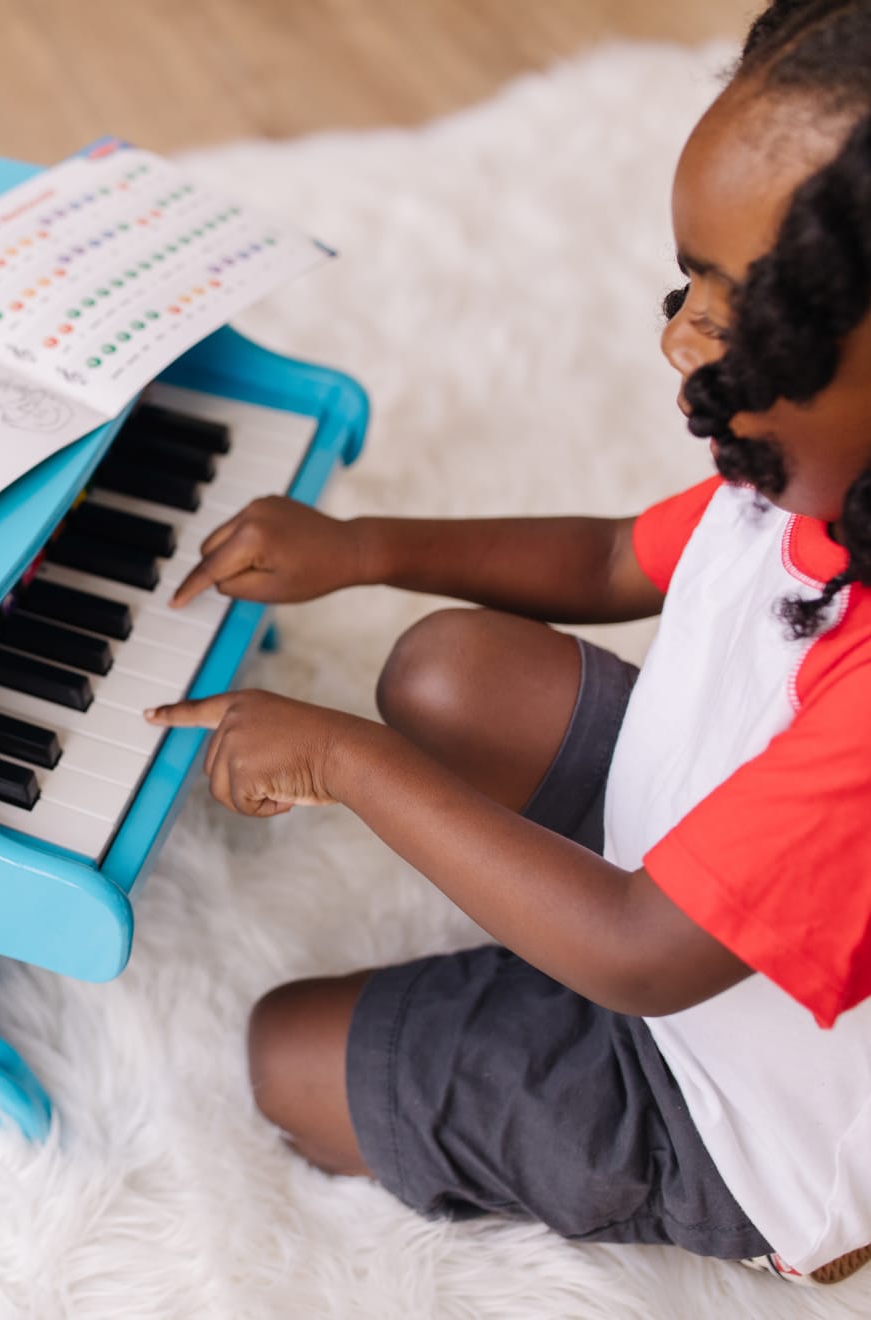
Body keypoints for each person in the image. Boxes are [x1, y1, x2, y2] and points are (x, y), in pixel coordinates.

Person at [143, 0, 871, 1287]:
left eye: (744, 312)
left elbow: (642, 955)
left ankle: (797, 1237)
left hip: (727, 1100)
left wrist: (348, 763)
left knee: (284, 1057)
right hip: (698, 856)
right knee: (448, 670)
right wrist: (364, 546)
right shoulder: (813, 483)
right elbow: (608, 557)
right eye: (684, 283)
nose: (680, 340)